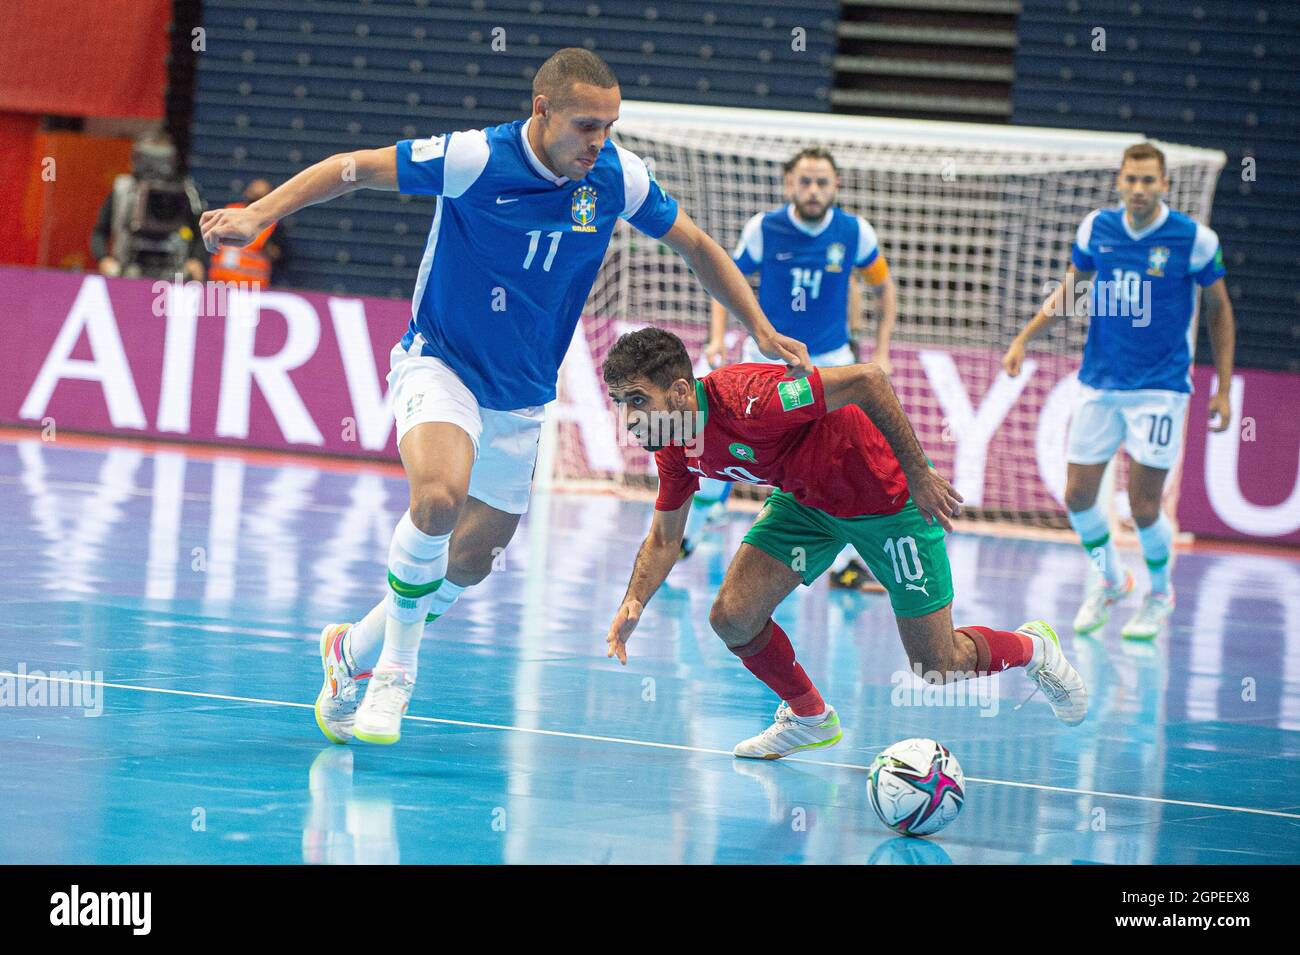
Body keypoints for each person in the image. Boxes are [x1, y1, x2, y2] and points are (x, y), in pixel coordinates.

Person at [200, 48, 812, 746]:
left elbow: (696, 244)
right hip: (442, 362)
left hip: (520, 396)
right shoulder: (474, 159)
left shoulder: (615, 177)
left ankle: (352, 651)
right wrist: (261, 215)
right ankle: (395, 675)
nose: (600, 142)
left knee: (470, 562)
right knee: (436, 499)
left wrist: (759, 325)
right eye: (587, 126)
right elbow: (356, 167)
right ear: (541, 110)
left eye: (610, 126)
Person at [603, 327, 1088, 759]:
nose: (628, 417)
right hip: (807, 503)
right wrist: (634, 601)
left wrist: (918, 474)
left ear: (681, 391)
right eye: (620, 402)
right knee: (732, 616)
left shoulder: (753, 399)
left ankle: (1033, 648)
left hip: (886, 499)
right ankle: (809, 717)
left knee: (936, 664)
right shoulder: (672, 445)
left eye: (638, 400)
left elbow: (869, 380)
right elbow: (665, 537)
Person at [1002, 142, 1236, 640]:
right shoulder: (1097, 228)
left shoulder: (1193, 239)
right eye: (1130, 179)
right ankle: (1111, 580)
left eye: (1148, 180)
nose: (1138, 189)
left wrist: (1222, 388)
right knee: (1078, 497)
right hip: (1098, 385)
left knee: (1144, 506)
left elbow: (1218, 309)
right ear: (1119, 181)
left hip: (1161, 390)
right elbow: (1071, 288)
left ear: (1165, 185)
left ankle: (1158, 594)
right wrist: (1024, 338)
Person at [682, 147, 898, 595]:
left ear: (836, 186)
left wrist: (881, 350)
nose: (813, 190)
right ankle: (686, 535)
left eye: (822, 182)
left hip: (831, 362)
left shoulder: (854, 232)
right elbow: (727, 282)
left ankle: (851, 566)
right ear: (788, 185)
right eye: (805, 181)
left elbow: (883, 289)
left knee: (856, 458)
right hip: (768, 361)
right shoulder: (764, 228)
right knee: (725, 445)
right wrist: (718, 339)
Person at [92, 131, 207, 281]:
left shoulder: (186, 191)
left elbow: (202, 231)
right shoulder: (123, 190)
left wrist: (196, 260)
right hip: (126, 270)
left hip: (175, 273)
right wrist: (104, 259)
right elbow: (99, 231)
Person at [207, 179, 291, 289]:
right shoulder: (230, 211)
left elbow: (280, 255)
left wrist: (268, 248)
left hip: (251, 289)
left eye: (260, 196)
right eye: (253, 193)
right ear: (246, 192)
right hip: (219, 284)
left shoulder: (273, 224)